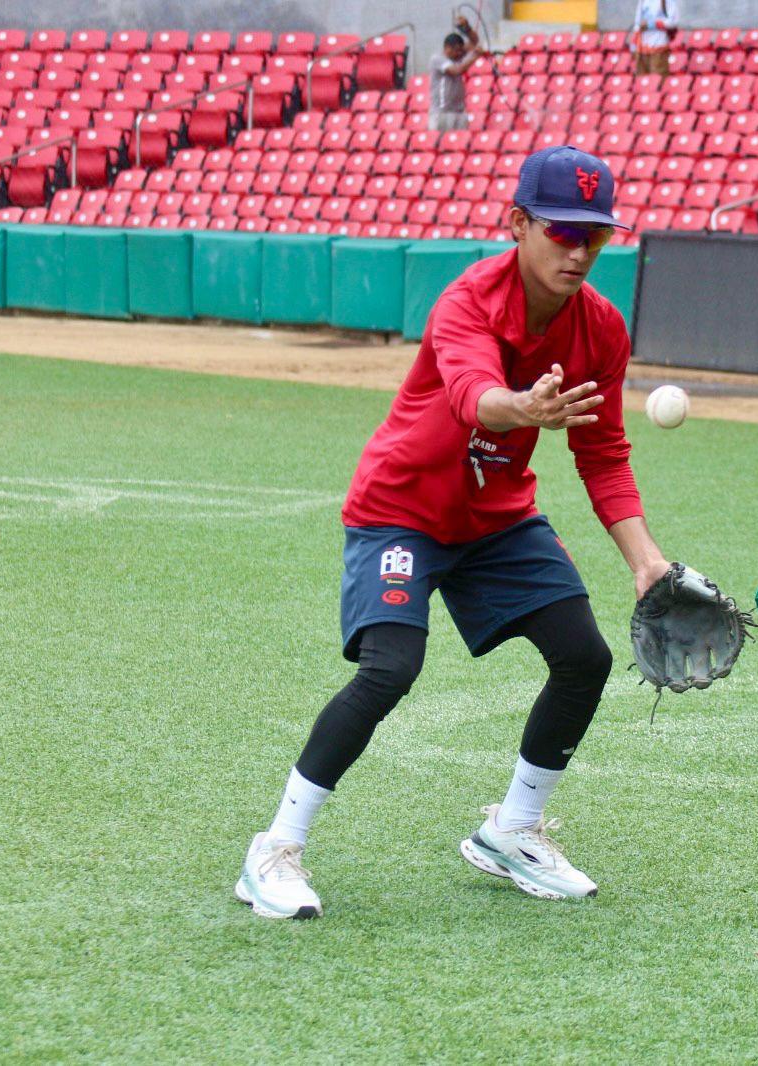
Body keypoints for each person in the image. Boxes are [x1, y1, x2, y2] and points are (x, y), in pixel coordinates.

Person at [236, 145, 667, 918]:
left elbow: (602, 451)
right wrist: (522, 408)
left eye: (594, 235)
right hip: (402, 507)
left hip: (497, 515)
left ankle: (514, 831)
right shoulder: (468, 301)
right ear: (517, 224)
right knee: (389, 669)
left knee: (584, 657)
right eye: (561, 231)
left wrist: (646, 562)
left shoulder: (601, 329)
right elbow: (473, 394)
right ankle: (274, 848)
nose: (579, 250)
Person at [429, 16, 484, 132]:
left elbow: (474, 41)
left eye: (461, 50)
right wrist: (475, 56)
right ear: (448, 48)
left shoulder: (457, 56)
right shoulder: (437, 59)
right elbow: (457, 70)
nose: (460, 53)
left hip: (459, 111)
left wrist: (467, 28)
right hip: (442, 112)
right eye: (457, 50)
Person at [629, 0, 679, 77]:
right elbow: (637, 24)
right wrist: (633, 45)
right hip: (642, 49)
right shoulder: (642, 1)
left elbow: (673, 22)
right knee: (642, 82)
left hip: (659, 47)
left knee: (657, 80)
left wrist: (653, 24)